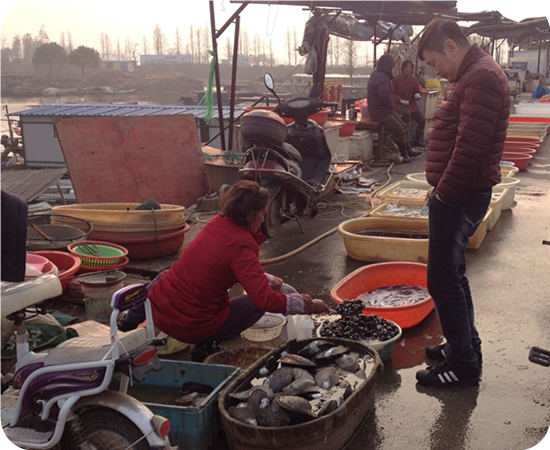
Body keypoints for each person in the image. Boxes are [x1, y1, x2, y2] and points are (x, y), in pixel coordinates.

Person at [118, 180, 330, 361]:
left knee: (164, 276)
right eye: (262, 214)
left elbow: (220, 265)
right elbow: (264, 300)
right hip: (192, 326)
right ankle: (205, 345)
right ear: (249, 215)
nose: (264, 220)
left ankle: (128, 323)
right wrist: (307, 305)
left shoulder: (215, 224)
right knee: (260, 301)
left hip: (159, 311)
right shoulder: (241, 246)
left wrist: (265, 278)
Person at [415, 19, 510, 387]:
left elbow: (469, 148)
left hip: (461, 193)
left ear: (451, 47)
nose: (435, 71)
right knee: (452, 273)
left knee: (441, 280)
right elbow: (459, 138)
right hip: (458, 190)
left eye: (435, 62)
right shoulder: (472, 75)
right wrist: (438, 185)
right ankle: (464, 344)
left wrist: (444, 193)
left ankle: (463, 365)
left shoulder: (481, 77)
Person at [367, 54, 422, 163]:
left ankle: (408, 150)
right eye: (392, 66)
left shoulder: (380, 75)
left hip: (385, 110)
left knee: (404, 127)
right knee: (400, 129)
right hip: (379, 112)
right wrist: (392, 104)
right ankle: (404, 153)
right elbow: (384, 95)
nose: (393, 69)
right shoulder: (381, 77)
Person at [392, 59, 426, 148]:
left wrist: (417, 94)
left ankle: (417, 141)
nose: (408, 69)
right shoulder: (396, 79)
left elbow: (417, 91)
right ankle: (406, 143)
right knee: (406, 118)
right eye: (406, 67)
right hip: (400, 105)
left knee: (421, 121)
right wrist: (400, 100)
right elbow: (393, 93)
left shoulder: (414, 80)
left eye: (410, 67)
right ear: (402, 68)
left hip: (411, 105)